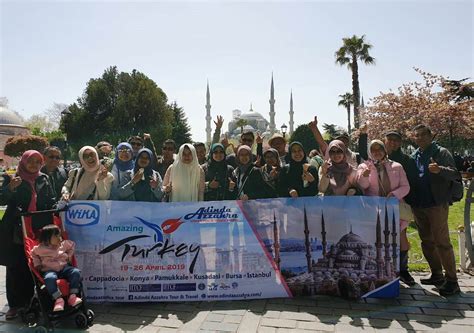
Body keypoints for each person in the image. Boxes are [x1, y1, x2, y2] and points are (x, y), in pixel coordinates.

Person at [0, 150, 56, 320]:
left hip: (39, 229)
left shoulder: (43, 178)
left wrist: (60, 203)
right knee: (17, 266)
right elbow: (1, 200)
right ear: (24, 162)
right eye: (30, 161)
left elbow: (51, 199)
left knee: (39, 264)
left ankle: (39, 301)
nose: (34, 165)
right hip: (18, 230)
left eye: (37, 162)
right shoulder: (12, 178)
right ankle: (16, 305)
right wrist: (10, 189)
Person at [410, 124, 461, 296]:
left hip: (436, 204)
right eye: (417, 135)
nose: (420, 138)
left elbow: (455, 173)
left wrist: (440, 170)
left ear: (431, 135)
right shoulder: (415, 154)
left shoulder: (441, 152)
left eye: (424, 134)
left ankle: (452, 281)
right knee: (427, 241)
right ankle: (437, 275)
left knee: (442, 242)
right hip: (419, 204)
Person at [357, 140, 414, 285]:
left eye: (379, 149)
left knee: (401, 239)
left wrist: (394, 194)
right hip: (374, 211)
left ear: (384, 150)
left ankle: (403, 270)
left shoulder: (396, 166)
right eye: (373, 149)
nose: (377, 152)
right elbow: (362, 187)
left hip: (395, 208)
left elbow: (405, 186)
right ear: (370, 151)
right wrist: (364, 175)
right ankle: (380, 271)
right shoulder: (364, 166)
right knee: (378, 241)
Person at [31, 224, 82, 312]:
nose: (59, 238)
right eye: (56, 236)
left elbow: (72, 245)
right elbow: (33, 255)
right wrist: (37, 264)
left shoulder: (63, 244)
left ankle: (73, 295)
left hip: (64, 268)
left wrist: (69, 256)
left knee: (75, 272)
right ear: (47, 238)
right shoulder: (39, 249)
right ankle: (58, 299)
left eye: (59, 235)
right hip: (49, 269)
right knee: (49, 278)